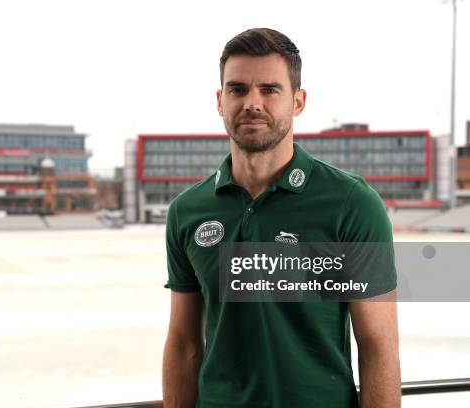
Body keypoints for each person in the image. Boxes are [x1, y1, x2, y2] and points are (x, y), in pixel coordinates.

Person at [162, 28, 400, 407]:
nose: (252, 103)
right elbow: (184, 345)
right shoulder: (187, 211)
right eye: (238, 90)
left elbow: (378, 349)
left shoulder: (352, 202)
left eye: (270, 90)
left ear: (298, 102)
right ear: (220, 101)